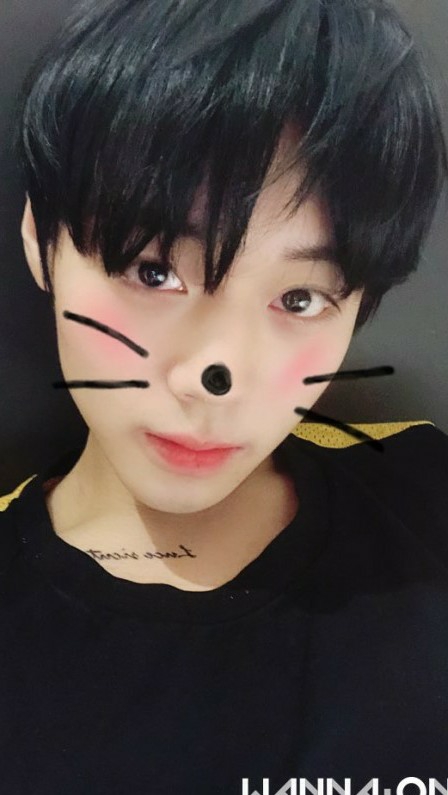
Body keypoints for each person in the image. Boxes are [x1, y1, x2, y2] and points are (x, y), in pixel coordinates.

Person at [1, 0, 448, 792]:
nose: (219, 375)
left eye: (301, 298)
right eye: (152, 270)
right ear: (42, 240)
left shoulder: (426, 491)